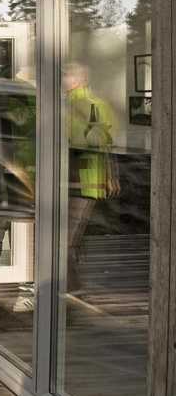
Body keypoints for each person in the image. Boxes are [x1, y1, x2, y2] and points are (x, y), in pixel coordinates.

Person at [64, 62, 117, 293]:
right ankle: (70, 289)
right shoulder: (68, 104)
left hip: (82, 181)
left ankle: (71, 291)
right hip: (73, 180)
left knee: (65, 241)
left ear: (78, 80)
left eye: (65, 75)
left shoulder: (89, 105)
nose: (62, 80)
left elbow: (99, 142)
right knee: (70, 240)